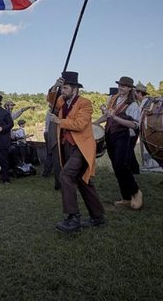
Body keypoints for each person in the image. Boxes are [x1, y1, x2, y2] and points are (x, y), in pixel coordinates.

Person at [47, 71, 106, 232]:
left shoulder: (85, 103)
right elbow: (51, 100)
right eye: (63, 88)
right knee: (82, 180)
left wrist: (59, 121)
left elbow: (80, 124)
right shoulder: (62, 101)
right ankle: (98, 216)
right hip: (67, 146)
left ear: (75, 89)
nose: (63, 91)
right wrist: (55, 86)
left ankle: (73, 218)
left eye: (65, 88)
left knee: (66, 175)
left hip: (81, 147)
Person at [95, 76, 143, 210]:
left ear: (129, 89)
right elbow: (106, 116)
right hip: (110, 134)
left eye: (124, 86)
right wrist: (94, 124)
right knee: (117, 167)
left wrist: (115, 117)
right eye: (120, 85)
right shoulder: (114, 99)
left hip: (123, 136)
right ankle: (126, 197)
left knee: (120, 164)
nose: (121, 88)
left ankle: (136, 192)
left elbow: (134, 125)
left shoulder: (132, 104)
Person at [135, 83, 163, 186]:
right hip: (148, 133)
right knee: (156, 154)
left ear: (139, 93)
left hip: (154, 133)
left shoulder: (149, 103)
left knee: (158, 154)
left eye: (135, 92)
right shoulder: (143, 103)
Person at [41, 105, 61, 189]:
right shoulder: (52, 113)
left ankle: (47, 172)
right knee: (51, 153)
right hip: (50, 133)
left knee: (50, 153)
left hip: (48, 133)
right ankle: (46, 172)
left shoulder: (49, 112)